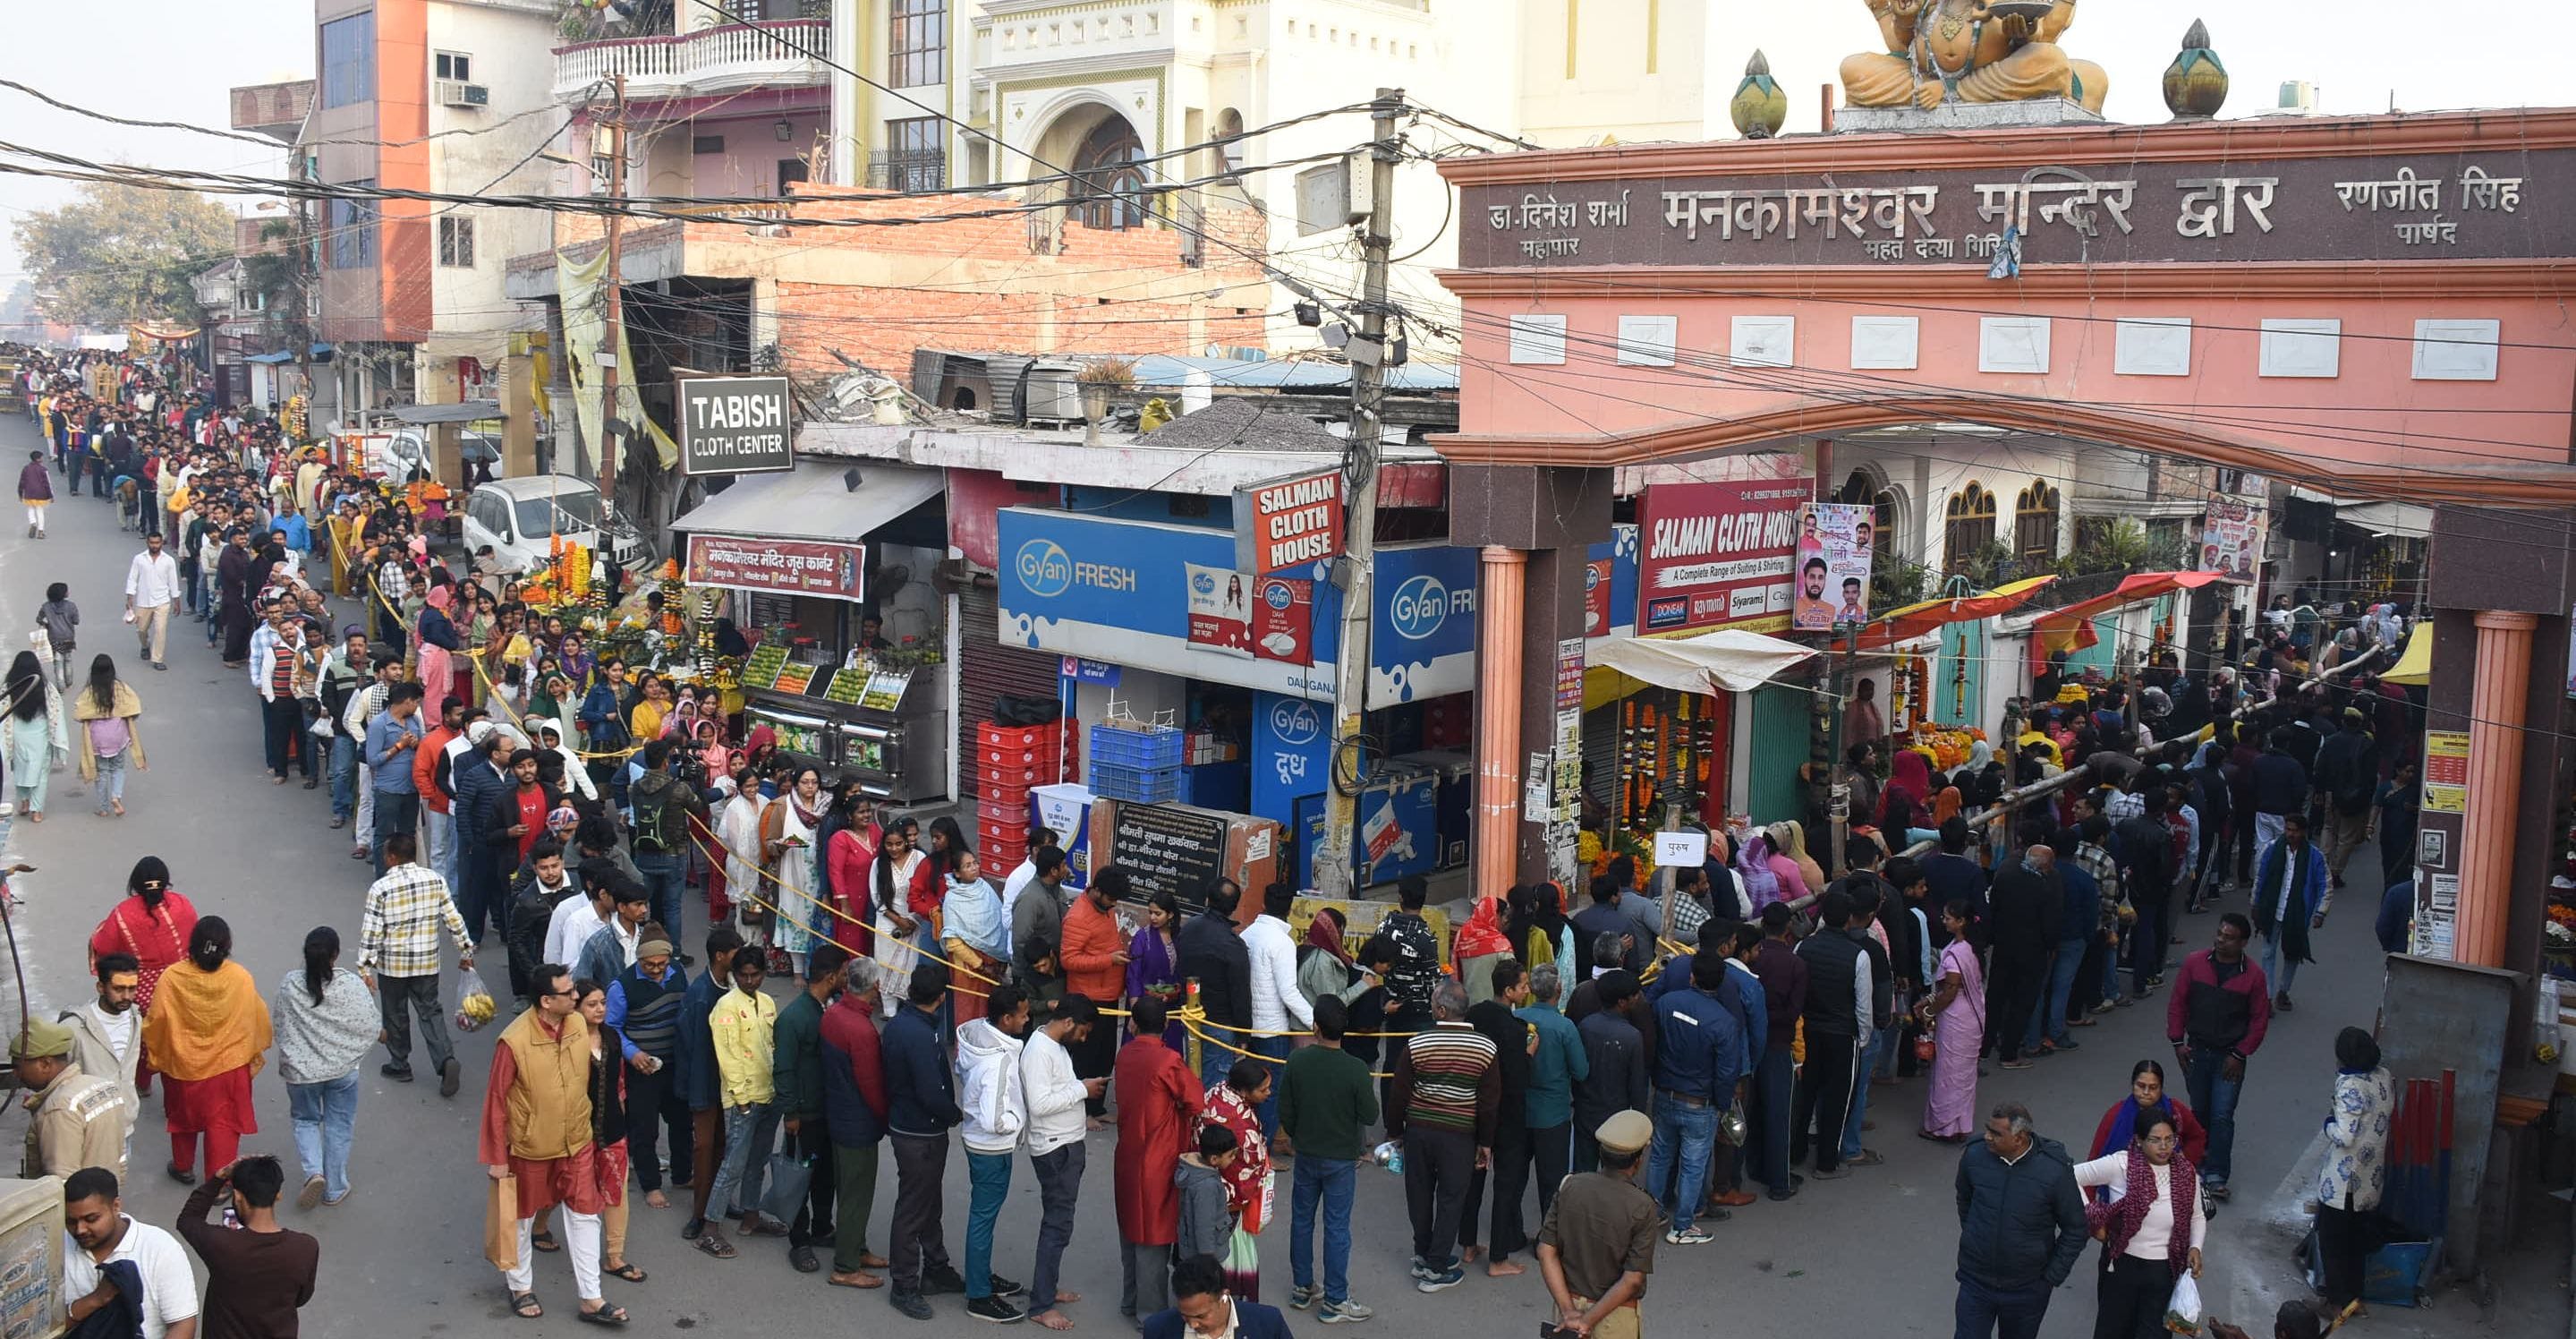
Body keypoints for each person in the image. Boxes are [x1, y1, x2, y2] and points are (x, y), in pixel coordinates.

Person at [482, 962, 625, 1325]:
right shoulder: (514, 1041)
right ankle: (520, 1287)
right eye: (568, 993)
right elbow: (496, 1099)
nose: (576, 996)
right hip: (530, 1147)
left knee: (585, 1216)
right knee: (522, 1218)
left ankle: (591, 1297)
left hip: (577, 1141)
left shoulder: (576, 1024)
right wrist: (498, 1157)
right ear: (547, 1001)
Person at [1389, 979, 1498, 1293]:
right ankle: (1436, 1266)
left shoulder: (1418, 1043)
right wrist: (1486, 1142)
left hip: (1420, 1131)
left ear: (1441, 1010)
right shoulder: (1486, 1047)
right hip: (1460, 1135)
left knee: (1419, 1192)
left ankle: (1424, 1254)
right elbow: (1489, 1102)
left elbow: (1398, 1093)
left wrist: (1395, 1133)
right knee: (1451, 1198)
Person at [144, 917, 272, 1185]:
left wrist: (158, 1056)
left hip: (183, 1064)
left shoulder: (172, 977)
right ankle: (218, 1183)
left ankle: (183, 1166)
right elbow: (256, 1017)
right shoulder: (240, 977)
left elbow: (157, 1021)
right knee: (223, 1123)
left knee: (182, 1118)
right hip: (229, 1066)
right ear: (227, 948)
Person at [1277, 992, 1379, 1322]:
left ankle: (1302, 1286)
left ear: (1315, 1027)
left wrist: (1297, 1135)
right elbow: (1369, 1113)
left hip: (1306, 1152)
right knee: (1336, 1227)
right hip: (1341, 1158)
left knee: (1302, 1220)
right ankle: (1336, 1299)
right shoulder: (1355, 1068)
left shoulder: (1298, 1061)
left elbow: (1285, 1109)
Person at [1953, 1103, 2087, 1339]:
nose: (1987, 1137)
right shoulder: (1974, 1155)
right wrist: (1975, 1234)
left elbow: (2076, 1228)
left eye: (1996, 1133)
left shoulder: (2054, 1171)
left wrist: (2051, 1277)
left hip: (2027, 1289)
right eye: (1988, 1129)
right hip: (1975, 1280)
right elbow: (1965, 1198)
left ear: (2019, 1138)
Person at [884, 962, 971, 1319]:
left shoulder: (902, 1024)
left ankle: (936, 1266)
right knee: (914, 1208)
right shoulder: (919, 1034)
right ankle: (904, 1284)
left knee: (928, 1202)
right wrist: (954, 1114)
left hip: (914, 1128)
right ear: (941, 998)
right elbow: (929, 1091)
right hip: (920, 1132)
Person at [355, 832, 472, 1096]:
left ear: (391, 857)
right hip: (427, 962)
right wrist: (465, 950)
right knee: (430, 1011)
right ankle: (445, 1059)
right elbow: (453, 919)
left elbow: (371, 932)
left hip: (393, 966)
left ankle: (400, 1064)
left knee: (395, 1014)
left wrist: (364, 968)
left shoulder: (381, 888)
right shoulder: (435, 880)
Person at [2073, 1109, 2206, 1339]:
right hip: (2121, 1267)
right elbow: (2069, 1176)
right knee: (2114, 1331)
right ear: (2139, 1140)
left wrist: (2195, 1247)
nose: (2164, 1147)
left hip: (2164, 1271)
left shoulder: (2186, 1173)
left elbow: (2197, 1216)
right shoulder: (2120, 1165)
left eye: (2170, 1140)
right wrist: (2091, 1215)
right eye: (2155, 1140)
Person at [2166, 915, 2272, 1202]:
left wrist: (2240, 1054)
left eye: (2229, 937)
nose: (2221, 940)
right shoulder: (2194, 964)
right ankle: (2197, 1164)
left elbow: (2259, 1020)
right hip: (2197, 1052)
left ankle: (2216, 1175)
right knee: (2199, 1111)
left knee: (2222, 1116)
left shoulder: (2254, 976)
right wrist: (2177, 1042)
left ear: (2243, 943)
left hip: (2230, 1058)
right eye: (2220, 934)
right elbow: (2178, 1003)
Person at [1643, 950, 1744, 1245]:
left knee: (1660, 1156)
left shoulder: (1666, 1004)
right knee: (1693, 1165)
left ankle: (1652, 1214)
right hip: (1700, 1103)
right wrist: (1722, 1105)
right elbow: (1727, 1071)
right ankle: (1683, 1226)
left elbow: (1653, 1040)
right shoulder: (1724, 1022)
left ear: (1692, 977)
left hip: (1665, 1093)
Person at [270, 927, 376, 1208]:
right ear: (335, 955)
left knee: (305, 1121)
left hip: (301, 1074)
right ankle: (335, 1187)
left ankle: (314, 1172)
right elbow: (370, 1024)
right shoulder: (351, 984)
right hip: (342, 1071)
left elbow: (280, 1024)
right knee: (338, 1125)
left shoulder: (290, 984)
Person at [1534, 1109, 1661, 1339]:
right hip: (1614, 1315)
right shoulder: (1642, 1206)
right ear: (1638, 1161)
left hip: (1567, 1307)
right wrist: (1586, 1322)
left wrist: (1568, 1312)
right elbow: (1632, 1280)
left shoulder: (1569, 1185)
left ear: (1601, 1154)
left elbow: (1545, 1251)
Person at [1115, 995, 1201, 1326]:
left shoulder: (1125, 1055)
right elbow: (1195, 1101)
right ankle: (1150, 1315)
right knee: (1152, 1236)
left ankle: (1131, 1300)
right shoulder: (1167, 1060)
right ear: (1166, 1023)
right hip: (1159, 1156)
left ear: (1132, 1024)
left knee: (1130, 1230)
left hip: (1128, 1152)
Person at [1022, 993, 1104, 1330]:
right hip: (1055, 1149)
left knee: (1060, 1224)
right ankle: (1041, 1304)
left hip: (1066, 1143)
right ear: (1068, 1022)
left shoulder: (1054, 1046)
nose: (1083, 1039)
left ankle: (1047, 1288)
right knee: (1056, 1226)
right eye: (1082, 1032)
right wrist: (1082, 1090)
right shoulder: (1039, 1052)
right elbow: (1039, 1104)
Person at [174, 1156, 319, 1339]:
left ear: (238, 1197)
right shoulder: (306, 1247)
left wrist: (220, 1177)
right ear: (278, 1195)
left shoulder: (222, 1244)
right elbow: (302, 1297)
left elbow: (188, 1219)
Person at [819, 961, 894, 1290]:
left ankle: (856, 1249)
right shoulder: (862, 1030)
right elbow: (871, 1084)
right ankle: (846, 1265)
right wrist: (885, 1118)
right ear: (874, 986)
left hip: (838, 1115)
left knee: (849, 1190)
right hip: (857, 1123)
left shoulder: (833, 1014)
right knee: (856, 1195)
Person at [706, 944, 786, 1250]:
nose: (750, 981)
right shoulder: (726, 1007)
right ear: (735, 974)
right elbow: (728, 1056)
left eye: (755, 975)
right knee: (733, 1166)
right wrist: (740, 1098)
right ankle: (710, 1227)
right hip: (744, 1100)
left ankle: (751, 1217)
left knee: (758, 1161)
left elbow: (772, 1046)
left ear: (764, 973)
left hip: (769, 1094)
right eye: (744, 975)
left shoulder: (767, 1002)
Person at [62, 1167, 200, 1339]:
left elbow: (182, 1324)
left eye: (91, 1219)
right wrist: (95, 1300)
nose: (80, 1230)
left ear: (116, 1206)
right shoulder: (56, 1248)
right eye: (71, 1221)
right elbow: (39, 1327)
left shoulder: (160, 1248)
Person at [573, 977, 649, 1290]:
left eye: (603, 1003)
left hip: (612, 1129)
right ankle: (539, 1227)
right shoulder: (567, 1042)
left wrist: (621, 1115)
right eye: (592, 1004)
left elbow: (619, 1085)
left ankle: (614, 1256)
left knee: (616, 1190)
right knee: (563, 1188)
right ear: (576, 1009)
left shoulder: (612, 1038)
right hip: (576, 1132)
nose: (600, 1009)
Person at [2314, 1028, 2396, 1317]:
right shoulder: (2384, 1077)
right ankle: (2354, 1299)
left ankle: (2335, 1301)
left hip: (2343, 1180)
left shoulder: (2350, 1085)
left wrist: (2328, 1124)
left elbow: (2345, 1135)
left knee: (2332, 1241)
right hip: (2370, 1177)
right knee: (2355, 1242)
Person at [1791, 891, 1870, 1178]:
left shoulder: (1803, 947)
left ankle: (1795, 1152)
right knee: (1838, 1101)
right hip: (1842, 1035)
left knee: (1805, 1096)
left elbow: (1796, 991)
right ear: (1849, 919)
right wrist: (1862, 1039)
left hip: (1808, 1032)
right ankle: (1827, 1162)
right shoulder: (1858, 955)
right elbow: (1863, 1006)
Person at [679, 924, 746, 1247]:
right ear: (720, 956)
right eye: (736, 953)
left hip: (728, 1084)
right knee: (704, 1148)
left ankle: (719, 1202)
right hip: (706, 1085)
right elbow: (693, 1049)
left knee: (723, 1145)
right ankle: (700, 1213)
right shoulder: (701, 995)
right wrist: (697, 1094)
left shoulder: (731, 987)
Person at [1512, 963, 1587, 1242]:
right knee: (1552, 1182)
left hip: (1519, 1111)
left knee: (1514, 1179)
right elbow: (1581, 1071)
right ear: (1559, 989)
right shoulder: (1565, 1027)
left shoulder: (1517, 1018)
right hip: (1553, 1115)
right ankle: (1547, 1240)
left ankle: (1510, 1234)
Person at [12, 1015, 129, 1180]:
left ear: (45, 1064)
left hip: (81, 1196)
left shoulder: (59, 1108)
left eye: (18, 1066)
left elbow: (61, 1181)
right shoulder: (104, 1087)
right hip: (107, 1192)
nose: (15, 1073)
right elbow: (120, 1158)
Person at [1198, 1058, 1273, 1301]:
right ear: (1243, 1091)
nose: (1269, 1093)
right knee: (1229, 1257)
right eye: (1263, 1089)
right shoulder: (1242, 1125)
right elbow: (1252, 1164)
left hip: (1208, 1186)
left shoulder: (1217, 1091)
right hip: (1229, 1201)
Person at [1244, 882, 1314, 1138]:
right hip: (1272, 1029)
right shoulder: (1283, 943)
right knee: (1270, 1093)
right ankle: (1264, 1147)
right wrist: (1315, 1021)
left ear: (1264, 904)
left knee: (1252, 1091)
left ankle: (1255, 1142)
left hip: (1248, 1025)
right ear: (1290, 909)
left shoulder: (1247, 934)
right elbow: (1289, 993)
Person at [1172, 874, 1252, 1089]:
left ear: (1207, 899)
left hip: (1191, 1016)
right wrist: (1244, 1035)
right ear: (1233, 907)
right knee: (1214, 1087)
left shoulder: (1189, 929)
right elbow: (1240, 993)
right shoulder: (1233, 944)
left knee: (1193, 1078)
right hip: (1220, 1024)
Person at [1918, 901, 1985, 1143]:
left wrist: (1929, 1010)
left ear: (1961, 922)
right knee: (1962, 1074)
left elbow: (1949, 992)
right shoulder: (1971, 948)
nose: (1944, 921)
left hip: (1956, 1018)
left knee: (1948, 1073)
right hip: (1970, 1016)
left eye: (1948, 918)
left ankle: (1942, 1127)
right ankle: (1959, 1126)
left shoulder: (1956, 955)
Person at [63, 954, 143, 1149]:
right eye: (118, 989)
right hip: (87, 1129)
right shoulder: (74, 1027)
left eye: (132, 989)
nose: (126, 996)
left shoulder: (136, 1019)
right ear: (101, 987)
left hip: (124, 1126)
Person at [2251, 814, 2330, 1011]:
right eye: (2288, 829)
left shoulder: (2315, 856)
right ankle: (2266, 997)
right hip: (2272, 911)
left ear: (2303, 832)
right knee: (2267, 953)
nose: (2290, 834)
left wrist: (2320, 912)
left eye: (2295, 831)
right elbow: (2260, 878)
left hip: (2297, 915)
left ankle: (2283, 991)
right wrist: (2255, 904)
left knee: (2292, 954)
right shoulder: (2272, 849)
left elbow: (2325, 885)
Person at [2090, 1060, 2209, 1167]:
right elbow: (2096, 1154)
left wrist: (2183, 1160)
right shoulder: (2116, 1113)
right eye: (2141, 1086)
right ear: (2133, 1085)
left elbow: (2197, 1137)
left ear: (2161, 1088)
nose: (2146, 1092)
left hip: (2169, 1177)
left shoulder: (2176, 1111)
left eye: (2153, 1087)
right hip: (2123, 1179)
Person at [1144, 1255, 1295, 1339]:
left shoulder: (1268, 1324)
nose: (1193, 1324)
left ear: (1224, 1296)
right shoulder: (1157, 1329)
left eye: (1201, 1316)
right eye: (1185, 1316)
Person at [70, 653, 145, 819]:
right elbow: (135, 708)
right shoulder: (121, 688)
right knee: (118, 767)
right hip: (118, 736)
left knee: (101, 772)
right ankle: (116, 797)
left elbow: (78, 714)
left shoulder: (89, 692)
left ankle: (103, 808)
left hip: (97, 738)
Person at [4, 649, 64, 823]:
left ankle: (24, 802)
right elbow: (56, 712)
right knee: (40, 773)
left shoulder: (9, 687)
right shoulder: (46, 688)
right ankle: (37, 811)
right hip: (40, 736)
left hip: (18, 735)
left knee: (19, 769)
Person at [126, 529, 182, 670]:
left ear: (161, 543)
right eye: (152, 543)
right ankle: (145, 646)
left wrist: (176, 600)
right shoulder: (139, 559)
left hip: (162, 601)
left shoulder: (168, 560)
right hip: (143, 601)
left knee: (160, 630)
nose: (155, 545)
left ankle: (157, 659)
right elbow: (132, 578)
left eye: (157, 543)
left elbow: (173, 581)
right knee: (141, 630)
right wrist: (130, 597)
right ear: (147, 543)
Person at [19, 448, 52, 539]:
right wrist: (51, 495)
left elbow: (22, 482)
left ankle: (33, 523)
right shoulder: (43, 469)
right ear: (38, 459)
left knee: (30, 509)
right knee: (40, 511)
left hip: (29, 493)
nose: (42, 459)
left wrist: (20, 493)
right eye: (41, 458)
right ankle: (41, 532)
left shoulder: (26, 468)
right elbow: (47, 484)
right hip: (41, 494)